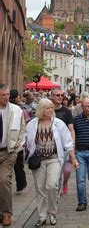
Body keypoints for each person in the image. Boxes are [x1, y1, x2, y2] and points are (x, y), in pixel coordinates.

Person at [25, 98, 79, 226]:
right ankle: (42, 216)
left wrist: (73, 158)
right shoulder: (32, 124)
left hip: (54, 159)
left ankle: (53, 212)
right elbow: (24, 139)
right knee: (40, 189)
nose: (50, 110)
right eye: (47, 108)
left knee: (52, 185)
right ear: (40, 110)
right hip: (38, 161)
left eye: (51, 107)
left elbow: (68, 142)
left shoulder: (58, 123)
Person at [0, 83, 26, 226]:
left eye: (7, 94)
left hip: (8, 151)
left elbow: (22, 128)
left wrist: (18, 144)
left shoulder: (16, 110)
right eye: (3, 95)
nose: (6, 97)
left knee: (4, 181)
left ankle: (6, 213)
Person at [50, 88, 75, 195]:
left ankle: (64, 183)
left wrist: (72, 144)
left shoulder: (66, 111)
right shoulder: (48, 110)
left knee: (67, 170)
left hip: (64, 145)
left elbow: (71, 129)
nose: (60, 97)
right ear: (51, 96)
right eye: (57, 95)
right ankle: (57, 188)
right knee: (57, 170)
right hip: (51, 145)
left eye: (62, 95)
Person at [9, 89, 29, 194]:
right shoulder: (21, 109)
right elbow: (25, 125)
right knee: (18, 166)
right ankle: (21, 185)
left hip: (15, 142)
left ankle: (19, 184)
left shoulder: (18, 109)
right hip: (17, 142)